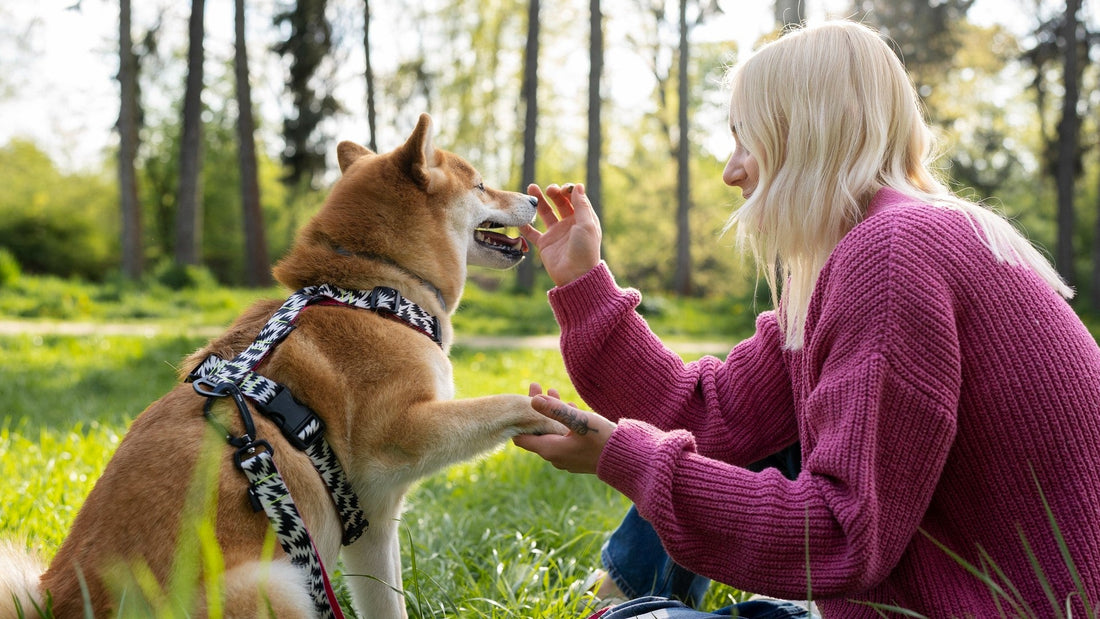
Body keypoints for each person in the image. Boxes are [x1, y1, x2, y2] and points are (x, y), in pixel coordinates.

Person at [512, 19, 1100, 619]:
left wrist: (626, 458)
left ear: (807, 133)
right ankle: (630, 590)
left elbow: (843, 535)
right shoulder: (869, 248)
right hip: (948, 589)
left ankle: (627, 602)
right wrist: (584, 282)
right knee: (743, 447)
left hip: (996, 606)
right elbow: (708, 412)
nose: (731, 170)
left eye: (747, 139)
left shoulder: (893, 255)